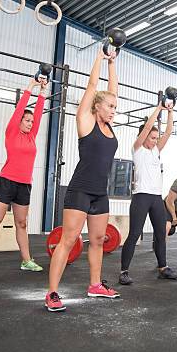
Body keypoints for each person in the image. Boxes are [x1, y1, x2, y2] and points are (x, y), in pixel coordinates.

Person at [46, 48, 120, 312]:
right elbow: (93, 86)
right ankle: (52, 292)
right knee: (68, 240)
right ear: (97, 106)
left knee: (98, 240)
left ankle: (95, 285)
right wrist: (100, 57)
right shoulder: (85, 120)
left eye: (115, 107)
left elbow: (113, 89)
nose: (113, 110)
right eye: (109, 106)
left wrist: (114, 62)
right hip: (80, 190)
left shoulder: (108, 125)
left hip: (100, 192)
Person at [0, 76, 47, 280]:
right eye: (27, 120)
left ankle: (26, 260)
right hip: (6, 182)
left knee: (22, 224)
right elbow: (20, 110)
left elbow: (40, 114)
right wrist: (32, 86)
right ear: (19, 121)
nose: (30, 123)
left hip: (24, 185)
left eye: (32, 121)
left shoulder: (31, 136)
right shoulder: (11, 133)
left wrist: (43, 92)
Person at [119, 103, 177, 285]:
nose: (155, 140)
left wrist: (170, 112)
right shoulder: (137, 149)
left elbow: (168, 132)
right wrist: (159, 108)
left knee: (161, 233)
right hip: (141, 197)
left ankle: (163, 268)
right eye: (152, 138)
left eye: (155, 138)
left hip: (156, 198)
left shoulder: (155, 151)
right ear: (143, 137)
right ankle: (124, 272)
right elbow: (146, 127)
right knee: (135, 233)